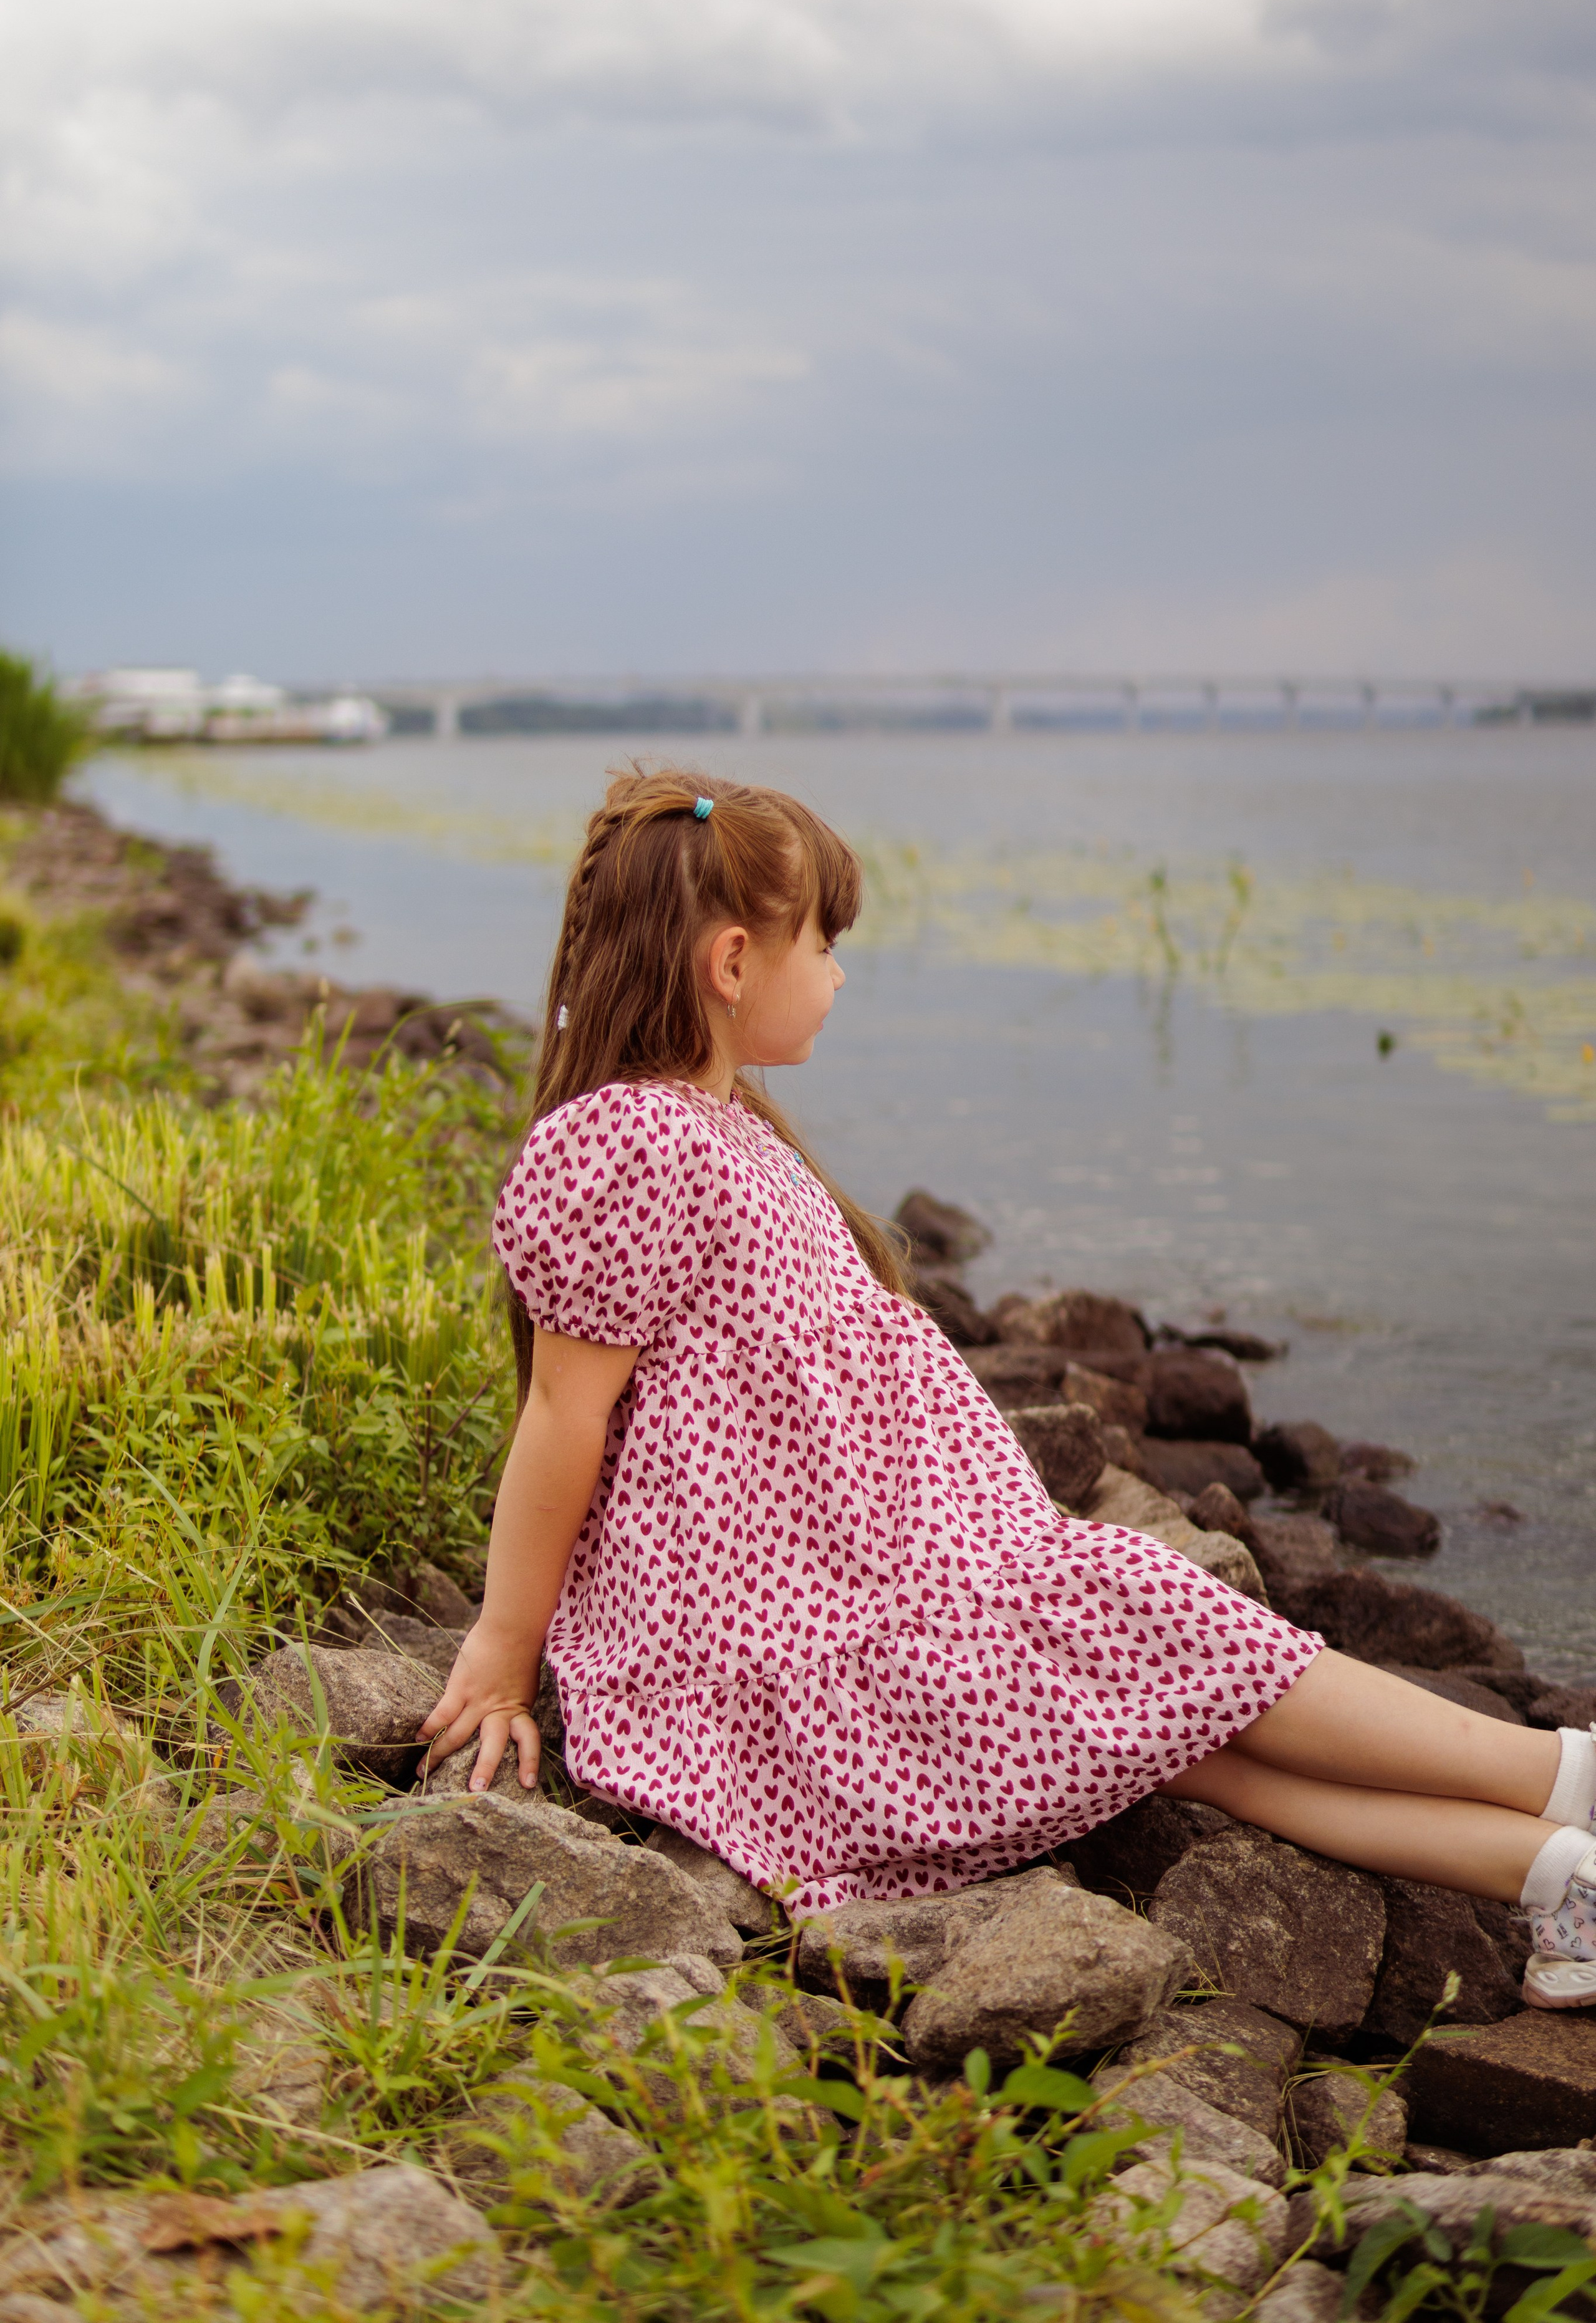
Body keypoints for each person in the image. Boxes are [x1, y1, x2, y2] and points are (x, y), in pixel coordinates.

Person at [423, 765, 1596, 2012]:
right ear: (730, 963)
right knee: (1166, 1650)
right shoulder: (630, 1140)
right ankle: (1562, 1774)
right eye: (823, 944)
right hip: (801, 1643)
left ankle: (1556, 1871)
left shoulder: (728, 1131)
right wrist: (502, 1650)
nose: (838, 975)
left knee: (1185, 1730)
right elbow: (564, 1414)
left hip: (890, 1582)